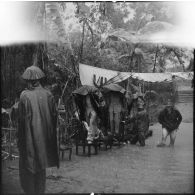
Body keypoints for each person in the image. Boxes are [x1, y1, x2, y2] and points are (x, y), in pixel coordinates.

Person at [18, 65, 59, 193]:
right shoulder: (48, 94)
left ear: (28, 80)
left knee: (29, 167)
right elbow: (54, 117)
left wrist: (20, 140)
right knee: (41, 167)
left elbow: (21, 121)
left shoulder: (24, 96)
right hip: (44, 139)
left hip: (29, 138)